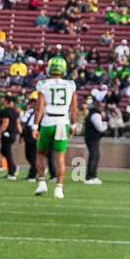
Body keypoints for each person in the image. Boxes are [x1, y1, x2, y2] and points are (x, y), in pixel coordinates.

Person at [34, 56, 78, 200]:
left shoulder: (43, 84)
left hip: (48, 121)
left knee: (41, 154)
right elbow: (74, 108)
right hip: (62, 121)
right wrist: (73, 124)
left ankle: (41, 183)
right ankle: (59, 188)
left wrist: (35, 125)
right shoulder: (70, 85)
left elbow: (39, 108)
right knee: (60, 158)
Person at [83, 99, 107, 184]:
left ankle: (92, 176)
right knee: (94, 156)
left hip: (91, 137)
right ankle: (90, 177)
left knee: (95, 156)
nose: (102, 106)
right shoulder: (96, 115)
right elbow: (100, 127)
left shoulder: (93, 113)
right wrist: (106, 125)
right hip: (92, 138)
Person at [0, 98, 20, 180]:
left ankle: (12, 171)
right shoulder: (14, 111)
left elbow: (5, 123)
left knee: (7, 152)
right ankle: (13, 168)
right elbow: (17, 122)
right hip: (13, 133)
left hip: (7, 133)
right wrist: (20, 132)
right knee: (4, 151)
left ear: (6, 101)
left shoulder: (6, 111)